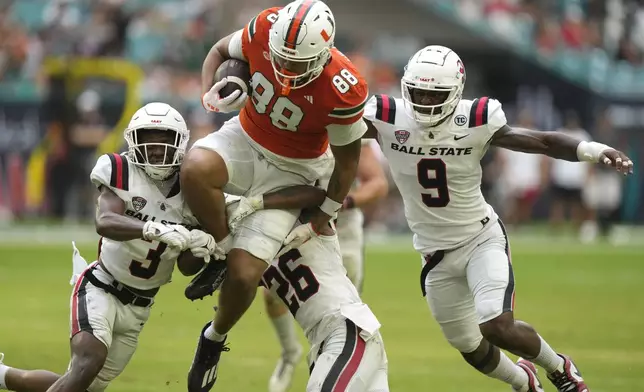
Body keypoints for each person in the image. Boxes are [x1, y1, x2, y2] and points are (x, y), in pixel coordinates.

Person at [362, 45, 633, 392]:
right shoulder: (386, 115)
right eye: (419, 92)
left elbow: (543, 142)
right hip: (434, 253)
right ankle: (524, 383)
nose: (426, 101)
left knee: (495, 326)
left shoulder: (476, 118)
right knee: (469, 347)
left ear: (455, 93)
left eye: (435, 94)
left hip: (480, 239)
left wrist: (595, 150)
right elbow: (332, 125)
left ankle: (559, 367)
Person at [180, 1, 369, 390]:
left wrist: (326, 211)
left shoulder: (344, 85)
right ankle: (220, 245)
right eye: (281, 58)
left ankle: (212, 338)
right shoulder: (267, 25)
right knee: (195, 169)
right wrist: (208, 96)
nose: (285, 71)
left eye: (297, 64)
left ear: (323, 55)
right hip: (246, 138)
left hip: (296, 168)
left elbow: (348, 162)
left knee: (246, 274)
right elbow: (218, 51)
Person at [0, 102, 220, 392]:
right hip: (101, 287)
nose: (155, 146)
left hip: (140, 307)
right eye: (147, 137)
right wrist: (151, 228)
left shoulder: (192, 188)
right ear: (133, 140)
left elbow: (184, 266)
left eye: (164, 137)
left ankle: (3, 375)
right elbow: (104, 221)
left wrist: (200, 244)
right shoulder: (120, 169)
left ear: (180, 141)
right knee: (88, 362)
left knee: (82, 384)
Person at [225, 185, 389, 392]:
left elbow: (318, 194)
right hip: (328, 344)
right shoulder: (253, 251)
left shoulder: (312, 221)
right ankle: (289, 353)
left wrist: (257, 201)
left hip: (347, 332)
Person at [262, 140, 388, 392]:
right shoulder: (287, 126)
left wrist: (343, 202)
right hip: (296, 221)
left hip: (343, 228)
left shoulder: (345, 125)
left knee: (338, 307)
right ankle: (290, 353)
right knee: (274, 291)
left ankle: (337, 363)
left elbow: (377, 182)